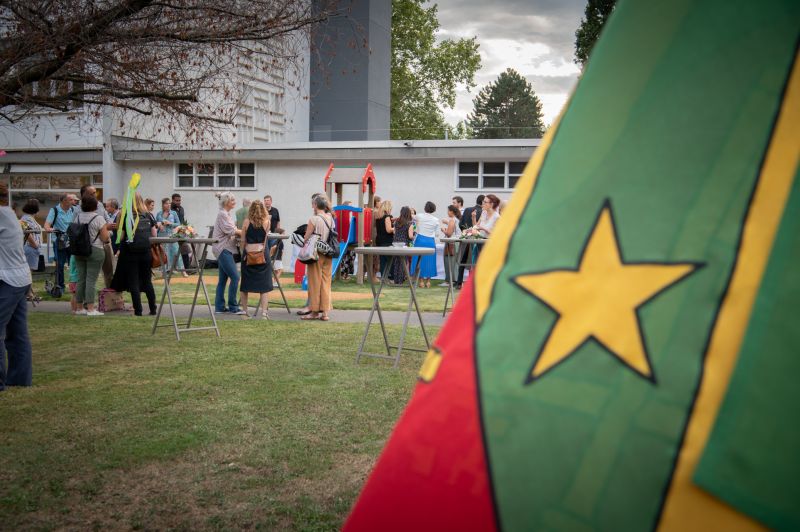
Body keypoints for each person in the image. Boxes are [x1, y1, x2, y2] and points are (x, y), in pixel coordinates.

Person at [0, 207, 33, 391]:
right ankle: (19, 377)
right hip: (19, 278)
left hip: (8, 279)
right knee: (16, 331)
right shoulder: (9, 213)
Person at [111, 193, 158, 316]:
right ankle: (153, 309)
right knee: (147, 281)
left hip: (129, 252)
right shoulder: (148, 214)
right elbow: (154, 235)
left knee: (134, 282)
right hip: (145, 251)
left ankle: (138, 310)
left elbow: (120, 237)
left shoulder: (123, 215)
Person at [72, 194, 111, 316]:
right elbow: (105, 238)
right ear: (95, 206)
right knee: (91, 280)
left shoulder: (77, 217)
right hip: (95, 250)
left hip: (79, 251)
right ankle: (90, 308)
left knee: (81, 279)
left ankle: (79, 308)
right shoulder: (98, 218)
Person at [301, 195, 334, 321]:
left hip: (315, 254)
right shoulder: (330, 218)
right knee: (326, 283)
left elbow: (306, 237)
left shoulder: (314, 219)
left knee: (314, 283)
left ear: (315, 205)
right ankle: (325, 312)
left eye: (313, 204)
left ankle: (314, 311)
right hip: (328, 252)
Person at [239, 200, 273, 319]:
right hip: (263, 256)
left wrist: (243, 252)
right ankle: (264, 313)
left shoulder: (246, 222)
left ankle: (244, 312)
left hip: (248, 256)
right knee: (264, 286)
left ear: (251, 209)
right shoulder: (267, 222)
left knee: (245, 285)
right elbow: (265, 238)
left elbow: (243, 240)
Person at [212, 192, 244, 314]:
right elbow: (232, 230)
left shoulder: (226, 214)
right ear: (226, 202)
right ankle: (233, 307)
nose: (234, 202)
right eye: (232, 200)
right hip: (223, 249)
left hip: (223, 249)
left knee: (223, 280)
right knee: (235, 277)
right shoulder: (223, 215)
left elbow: (233, 230)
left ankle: (219, 307)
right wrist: (248, 231)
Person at [43, 193, 76, 292]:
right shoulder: (54, 210)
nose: (73, 202)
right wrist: (48, 229)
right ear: (64, 201)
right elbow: (46, 225)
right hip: (59, 241)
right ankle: (60, 286)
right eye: (71, 200)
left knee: (74, 264)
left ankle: (74, 285)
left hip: (71, 241)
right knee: (60, 264)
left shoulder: (73, 210)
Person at [454, 194, 484, 289]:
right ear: (483, 202)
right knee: (476, 261)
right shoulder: (484, 212)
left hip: (466, 238)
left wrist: (466, 232)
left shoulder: (467, 209)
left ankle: (459, 282)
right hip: (478, 239)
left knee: (463, 260)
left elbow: (461, 224)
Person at [155, 197, 187, 277]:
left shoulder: (173, 213)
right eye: (166, 203)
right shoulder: (159, 213)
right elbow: (156, 224)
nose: (168, 205)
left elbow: (179, 224)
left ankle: (183, 271)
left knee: (176, 252)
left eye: (169, 203)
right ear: (163, 205)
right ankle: (164, 272)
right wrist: (159, 225)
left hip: (172, 236)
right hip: (162, 236)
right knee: (164, 254)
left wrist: (170, 223)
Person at [411, 201, 439, 288]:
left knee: (419, 260)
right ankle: (428, 282)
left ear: (425, 208)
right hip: (430, 241)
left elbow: (411, 216)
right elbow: (437, 234)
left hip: (420, 239)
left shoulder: (419, 216)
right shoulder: (436, 220)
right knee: (430, 261)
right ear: (434, 209)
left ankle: (421, 281)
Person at [391, 206, 414, 285]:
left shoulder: (397, 222)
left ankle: (395, 280)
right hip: (404, 245)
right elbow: (410, 236)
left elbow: (394, 232)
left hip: (395, 244)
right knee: (403, 263)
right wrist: (414, 235)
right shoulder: (410, 224)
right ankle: (400, 281)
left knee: (396, 262)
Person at [171, 193, 193, 273]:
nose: (178, 202)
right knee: (174, 252)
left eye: (179, 200)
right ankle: (171, 269)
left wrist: (186, 229)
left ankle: (187, 269)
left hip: (181, 233)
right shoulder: (170, 210)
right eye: (176, 200)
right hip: (172, 233)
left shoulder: (181, 209)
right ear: (172, 200)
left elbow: (183, 221)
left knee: (185, 249)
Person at [441, 205, 462, 285]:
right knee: (455, 262)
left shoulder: (452, 220)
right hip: (456, 243)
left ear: (452, 211)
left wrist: (443, 230)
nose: (447, 212)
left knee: (449, 261)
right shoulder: (457, 219)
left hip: (451, 243)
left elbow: (449, 234)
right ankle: (455, 279)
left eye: (448, 211)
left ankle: (450, 281)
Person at [264, 195, 284, 276]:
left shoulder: (275, 210)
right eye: (265, 200)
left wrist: (279, 232)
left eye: (268, 200)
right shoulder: (262, 211)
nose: (266, 202)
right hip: (266, 236)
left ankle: (275, 271)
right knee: (267, 254)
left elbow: (278, 222)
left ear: (271, 201)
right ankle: (267, 273)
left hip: (275, 235)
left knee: (277, 250)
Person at [374, 200, 394, 277]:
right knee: (389, 260)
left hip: (379, 240)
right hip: (387, 240)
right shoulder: (387, 217)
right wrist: (395, 228)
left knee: (382, 260)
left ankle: (383, 277)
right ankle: (390, 276)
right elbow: (388, 230)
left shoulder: (378, 217)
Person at [20, 199, 42, 272]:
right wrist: (35, 245)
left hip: (32, 248)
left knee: (29, 272)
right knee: (28, 272)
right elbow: (27, 233)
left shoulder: (30, 218)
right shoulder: (26, 219)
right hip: (30, 248)